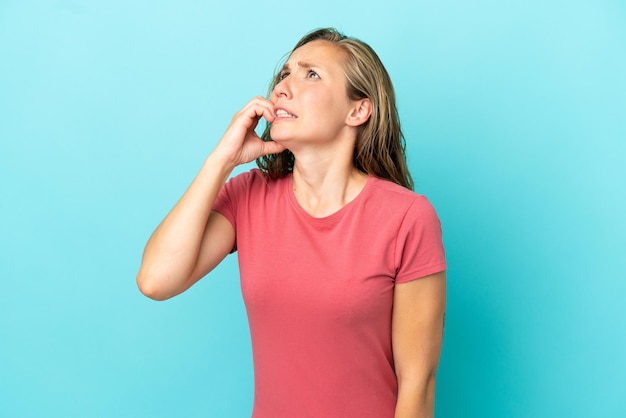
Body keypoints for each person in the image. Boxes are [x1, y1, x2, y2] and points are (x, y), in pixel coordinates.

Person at [137, 27, 447, 418]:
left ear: (358, 110)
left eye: (310, 74)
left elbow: (417, 384)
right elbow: (155, 280)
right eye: (285, 74)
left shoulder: (406, 217)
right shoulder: (248, 196)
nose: (283, 87)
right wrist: (221, 161)